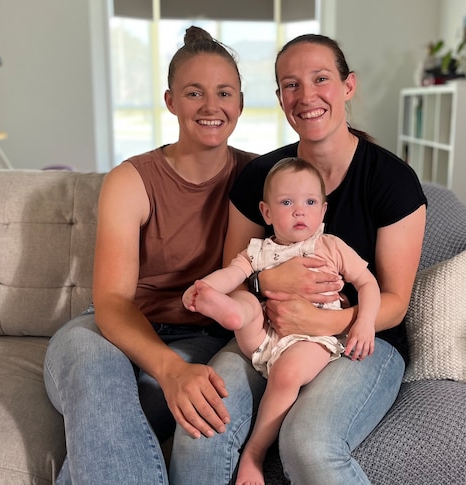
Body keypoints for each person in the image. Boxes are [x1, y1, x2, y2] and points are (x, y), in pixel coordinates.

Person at [170, 33, 428, 484]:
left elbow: (394, 301)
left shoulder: (392, 181)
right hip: (270, 330)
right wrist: (270, 285)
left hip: (361, 342)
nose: (307, 96)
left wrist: (324, 322)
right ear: (279, 98)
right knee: (202, 426)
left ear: (348, 86)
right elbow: (239, 273)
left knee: (307, 441)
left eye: (321, 79)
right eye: (291, 85)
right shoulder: (260, 179)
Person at [42, 26, 257, 485]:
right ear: (170, 101)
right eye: (194, 93)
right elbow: (113, 302)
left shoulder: (259, 177)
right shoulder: (131, 180)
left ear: (240, 102)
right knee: (91, 364)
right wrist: (171, 369)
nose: (211, 106)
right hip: (111, 332)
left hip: (202, 337)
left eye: (224, 93)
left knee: (111, 422)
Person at [182, 156, 380, 484]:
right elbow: (231, 274)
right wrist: (203, 289)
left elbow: (368, 284)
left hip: (314, 339)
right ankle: (231, 313)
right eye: (287, 202)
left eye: (310, 202)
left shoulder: (329, 246)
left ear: (323, 211)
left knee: (287, 373)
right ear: (267, 212)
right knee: (243, 297)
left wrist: (363, 321)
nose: (299, 210)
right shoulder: (258, 251)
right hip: (265, 336)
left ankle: (254, 453)